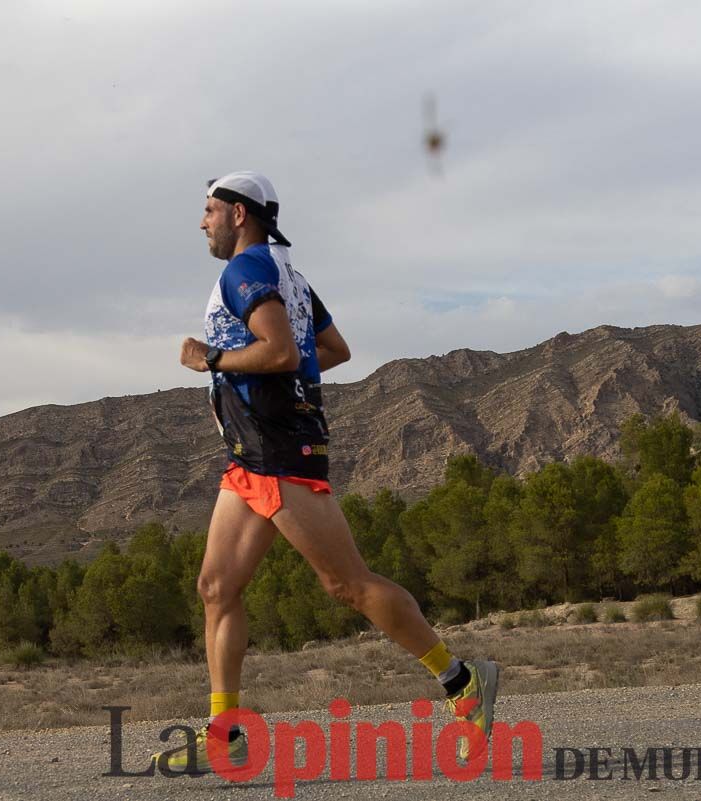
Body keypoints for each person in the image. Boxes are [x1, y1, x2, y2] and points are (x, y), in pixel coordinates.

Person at [153, 171, 498, 773]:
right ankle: (226, 732)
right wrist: (283, 381)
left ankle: (461, 681)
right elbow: (331, 349)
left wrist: (208, 358)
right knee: (216, 588)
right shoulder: (290, 275)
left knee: (348, 585)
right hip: (251, 455)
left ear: (240, 214)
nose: (202, 221)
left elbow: (283, 351)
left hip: (279, 449)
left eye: (210, 210)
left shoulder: (245, 271)